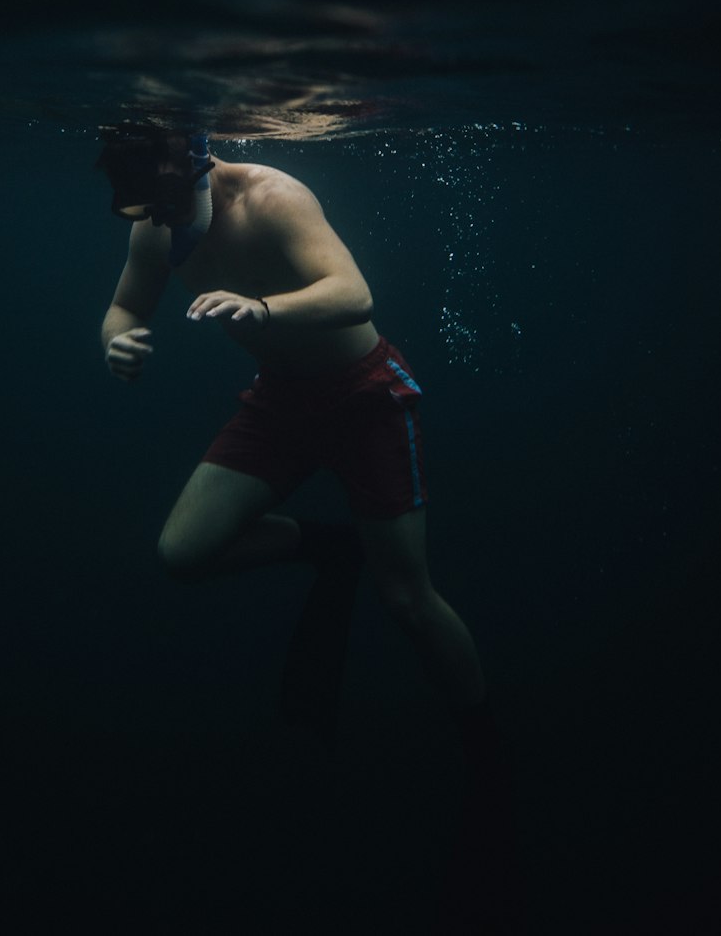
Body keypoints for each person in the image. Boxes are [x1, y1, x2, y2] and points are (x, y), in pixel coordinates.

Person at [96, 125, 496, 765]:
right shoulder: (153, 224)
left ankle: (485, 744)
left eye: (165, 204)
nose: (160, 221)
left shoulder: (274, 198)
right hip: (281, 400)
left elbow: (355, 294)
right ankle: (333, 548)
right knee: (184, 553)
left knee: (407, 601)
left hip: (364, 399)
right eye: (144, 208)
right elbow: (124, 307)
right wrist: (115, 341)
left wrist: (263, 308)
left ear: (197, 166)